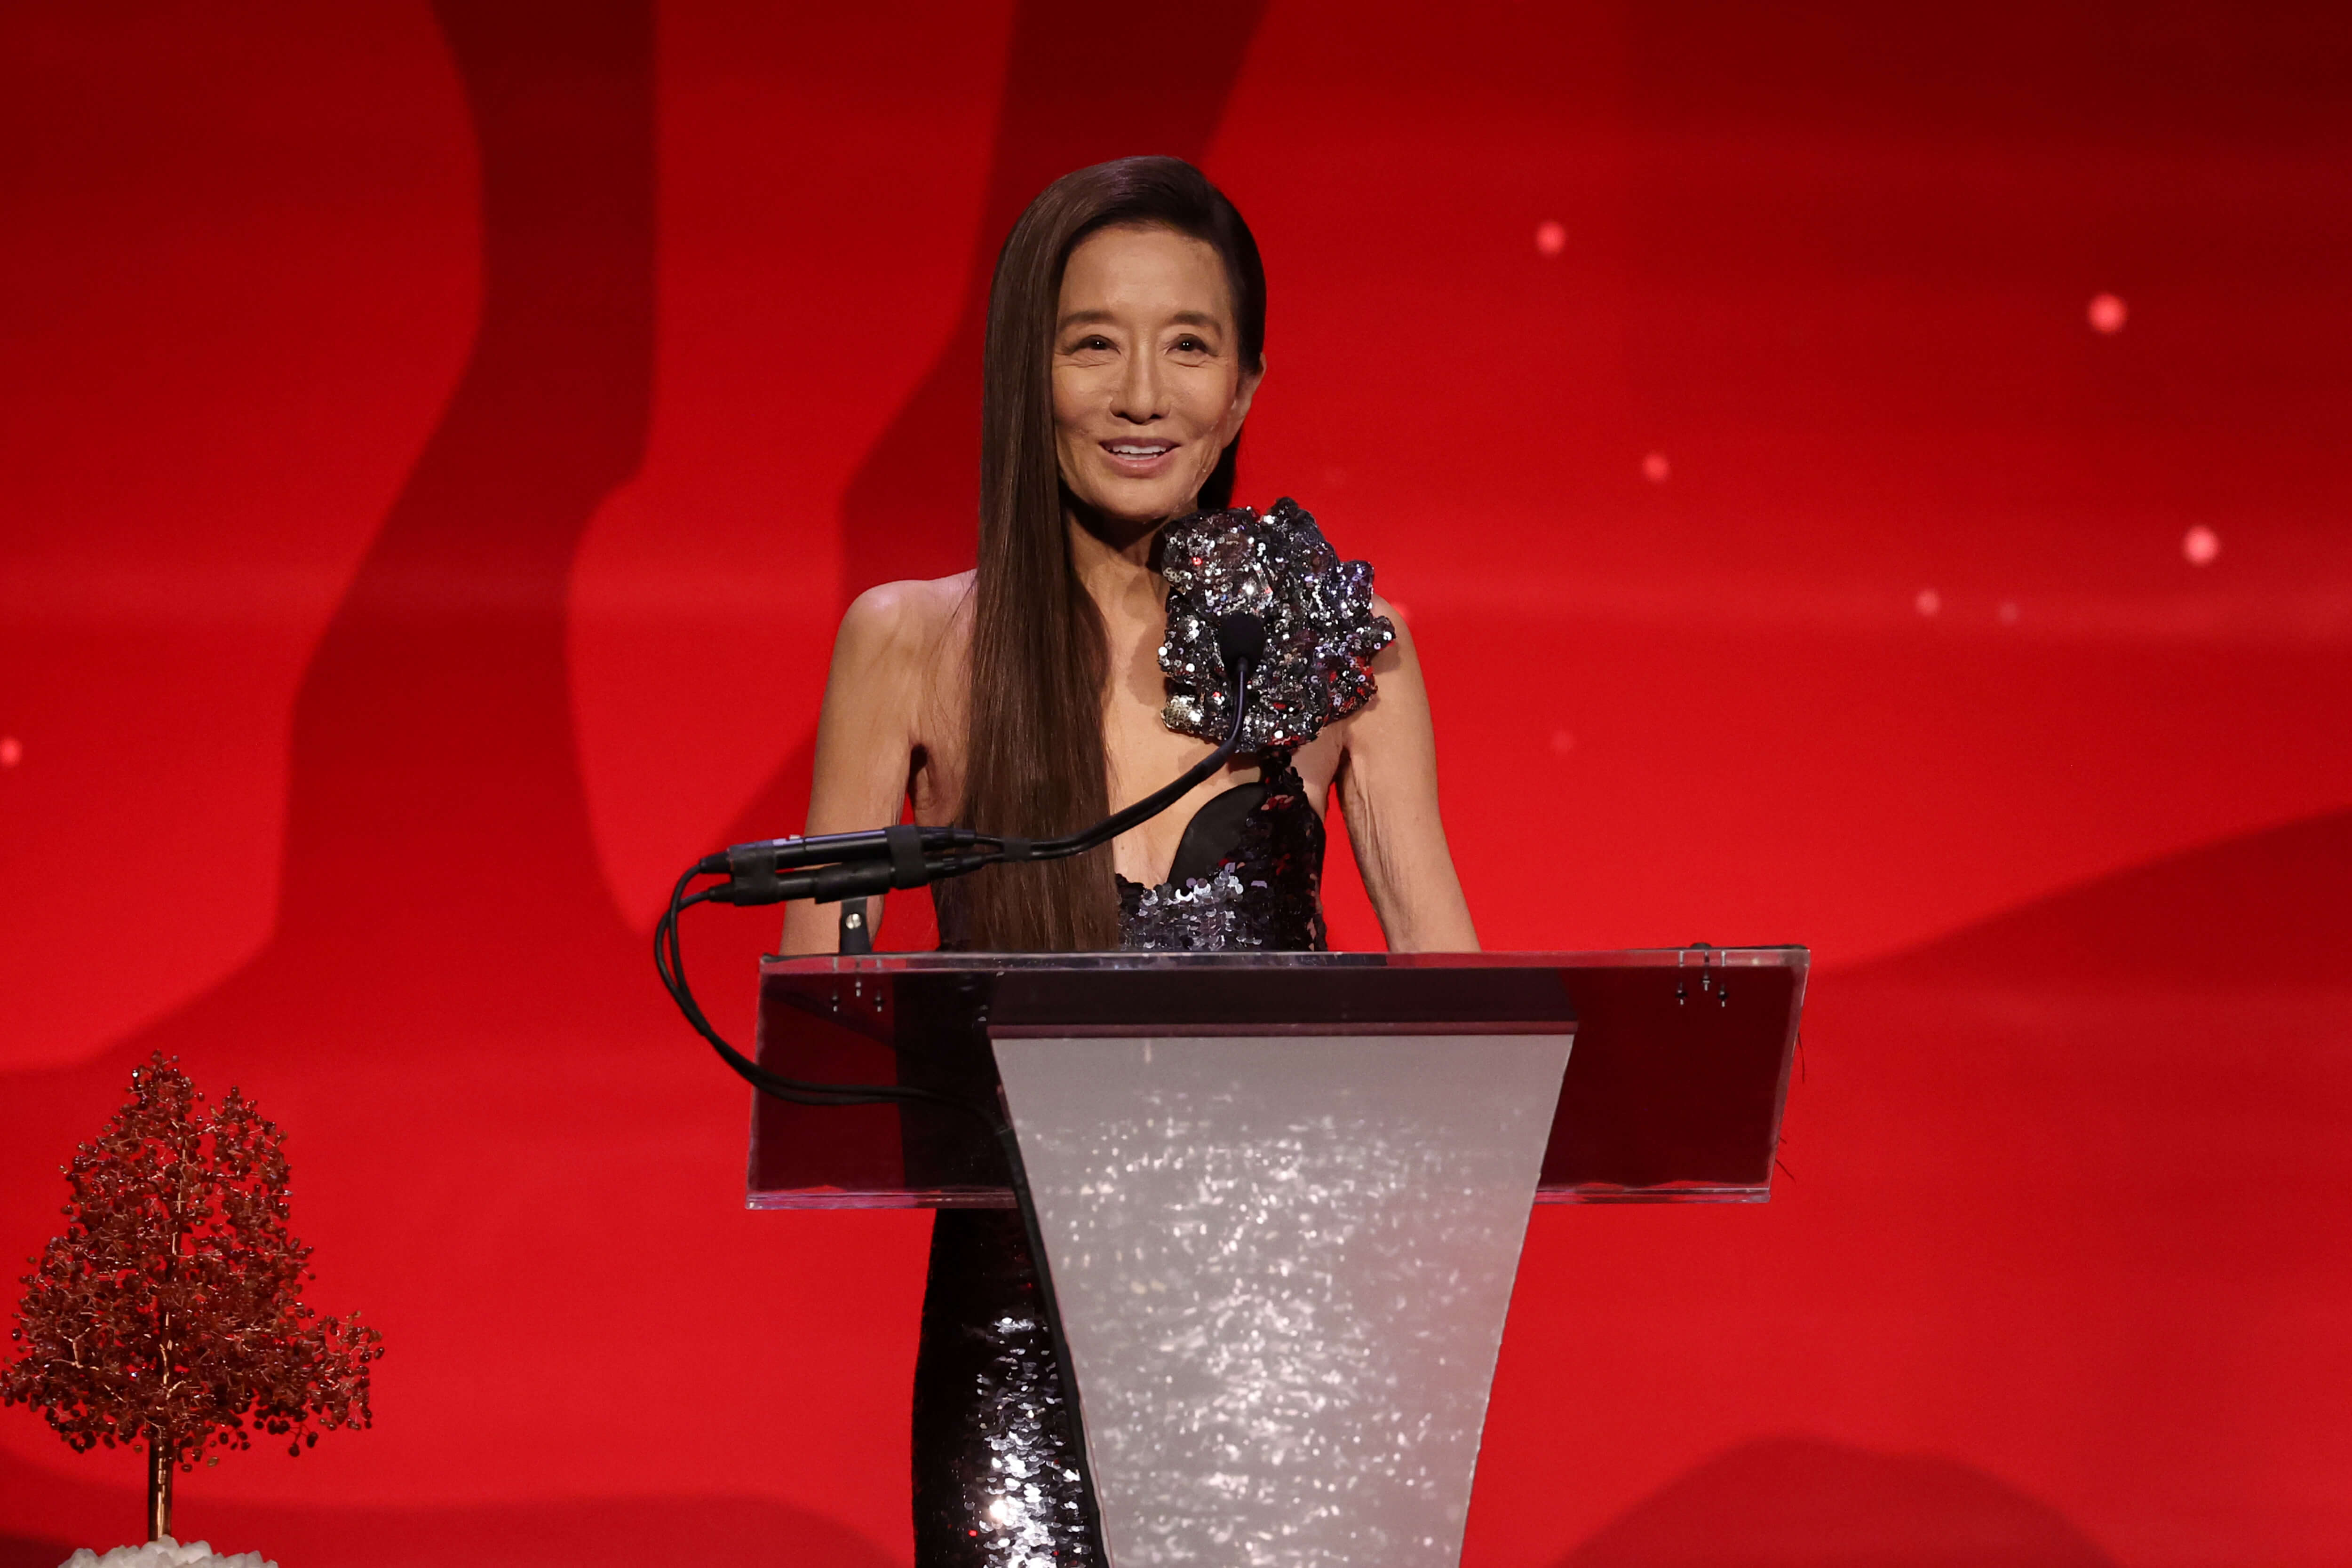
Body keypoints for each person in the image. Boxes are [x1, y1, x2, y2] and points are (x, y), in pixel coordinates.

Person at [783, 156, 1477, 1567]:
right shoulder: (911, 644)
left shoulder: (1347, 654)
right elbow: (825, 1026)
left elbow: (1463, 1007)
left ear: (1246, 392)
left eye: (1189, 346)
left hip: (1282, 1326)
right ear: (1023, 375)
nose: (1142, 394)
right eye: (1094, 342)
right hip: (1016, 1328)